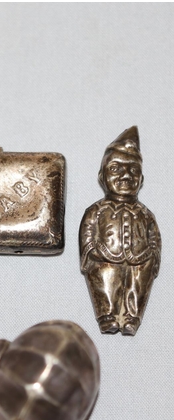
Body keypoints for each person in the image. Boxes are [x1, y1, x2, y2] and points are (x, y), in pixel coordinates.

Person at [79, 126, 161, 335]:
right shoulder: (97, 210)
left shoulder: (145, 213)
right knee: (105, 286)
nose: (126, 176)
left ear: (141, 179)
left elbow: (154, 235)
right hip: (103, 256)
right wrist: (91, 251)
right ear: (102, 177)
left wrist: (153, 255)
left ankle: (132, 318)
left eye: (133, 170)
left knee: (138, 288)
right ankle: (106, 316)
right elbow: (87, 231)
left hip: (141, 258)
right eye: (116, 169)